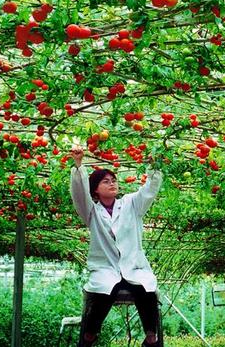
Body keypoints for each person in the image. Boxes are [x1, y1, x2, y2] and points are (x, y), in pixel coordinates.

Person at [69, 145, 164, 347]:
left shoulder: (131, 204)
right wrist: (78, 165)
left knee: (146, 291)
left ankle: (151, 338)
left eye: (114, 180)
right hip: (106, 268)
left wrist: (153, 166)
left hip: (133, 267)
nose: (112, 184)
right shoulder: (91, 211)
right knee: (103, 293)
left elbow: (149, 191)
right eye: (106, 181)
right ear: (95, 189)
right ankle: (89, 336)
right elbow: (78, 194)